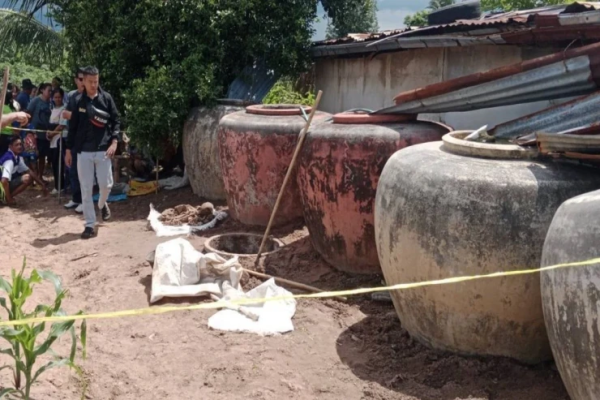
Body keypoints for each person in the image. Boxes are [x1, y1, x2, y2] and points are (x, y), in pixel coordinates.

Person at [65, 66, 120, 239]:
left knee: (106, 185)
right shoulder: (77, 101)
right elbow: (72, 127)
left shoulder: (106, 99)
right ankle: (89, 224)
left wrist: (114, 141)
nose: (94, 85)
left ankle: (102, 204)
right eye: (90, 82)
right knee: (86, 188)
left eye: (96, 81)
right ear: (83, 81)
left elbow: (116, 120)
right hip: (83, 152)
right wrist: (68, 150)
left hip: (103, 150)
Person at [1, 135, 48, 205]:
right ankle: (7, 199)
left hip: (3, 186)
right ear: (10, 147)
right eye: (16, 145)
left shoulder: (17, 157)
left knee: (28, 177)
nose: (19, 146)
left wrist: (42, 184)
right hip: (1, 186)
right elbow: (4, 181)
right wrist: (9, 199)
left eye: (20, 144)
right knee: (27, 178)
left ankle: (6, 198)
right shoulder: (9, 160)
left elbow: (29, 171)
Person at [62, 68, 85, 212]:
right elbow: (65, 114)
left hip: (87, 141)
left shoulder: (92, 97)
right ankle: (76, 199)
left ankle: (85, 201)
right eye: (80, 79)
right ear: (76, 80)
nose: (83, 82)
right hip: (73, 138)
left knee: (84, 172)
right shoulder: (72, 96)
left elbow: (88, 118)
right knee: (73, 171)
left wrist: (72, 116)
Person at [27, 83, 52, 180]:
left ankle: (40, 176)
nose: (50, 92)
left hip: (45, 134)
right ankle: (33, 178)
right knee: (32, 156)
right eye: (48, 90)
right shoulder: (36, 100)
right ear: (42, 90)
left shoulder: (51, 102)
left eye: (51, 91)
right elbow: (28, 113)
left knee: (42, 156)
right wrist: (29, 129)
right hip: (34, 133)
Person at [47, 88, 68, 195]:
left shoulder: (64, 110)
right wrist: (48, 134)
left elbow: (61, 125)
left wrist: (52, 134)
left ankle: (60, 186)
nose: (58, 99)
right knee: (54, 163)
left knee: (59, 164)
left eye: (59, 97)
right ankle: (57, 185)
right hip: (53, 141)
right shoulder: (52, 109)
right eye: (55, 97)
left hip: (60, 139)